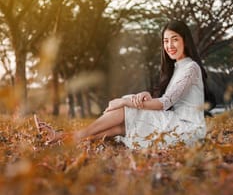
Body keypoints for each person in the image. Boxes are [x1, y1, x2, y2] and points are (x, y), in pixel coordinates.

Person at [35, 20, 210, 149]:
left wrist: (122, 102)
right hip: (177, 122)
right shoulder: (178, 67)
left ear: (185, 41)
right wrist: (146, 95)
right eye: (165, 41)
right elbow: (168, 99)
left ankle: (69, 136)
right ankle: (62, 139)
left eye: (174, 39)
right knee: (119, 128)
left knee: (127, 105)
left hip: (188, 129)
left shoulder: (191, 67)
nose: (169, 45)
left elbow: (165, 103)